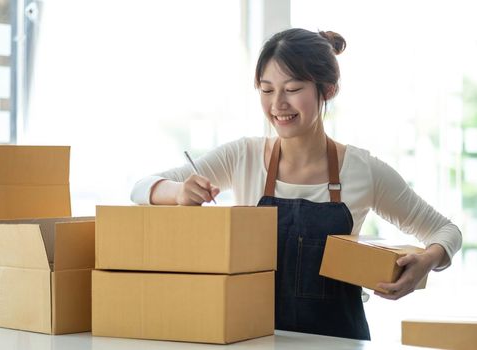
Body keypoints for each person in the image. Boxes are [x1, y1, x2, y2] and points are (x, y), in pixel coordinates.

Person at [130, 28, 462, 340]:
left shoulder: (364, 171)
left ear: (327, 90)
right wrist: (180, 193)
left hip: (340, 344)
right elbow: (141, 187)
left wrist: (427, 261)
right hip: (255, 341)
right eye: (267, 89)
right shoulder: (242, 156)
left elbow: (446, 232)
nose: (278, 105)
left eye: (292, 89)